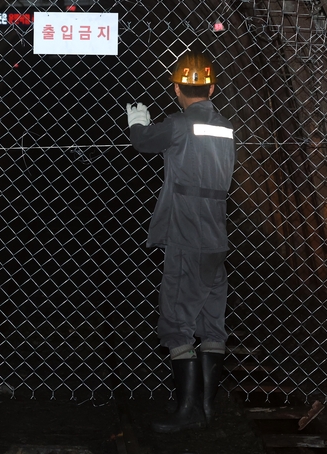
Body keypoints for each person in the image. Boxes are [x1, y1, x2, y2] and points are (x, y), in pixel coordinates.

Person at [126, 52, 235, 433]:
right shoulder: (225, 126)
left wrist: (137, 120)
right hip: (216, 239)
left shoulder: (178, 124)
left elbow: (143, 142)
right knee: (212, 323)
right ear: (212, 86)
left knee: (176, 321)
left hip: (186, 237)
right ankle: (207, 409)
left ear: (176, 89)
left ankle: (187, 413)